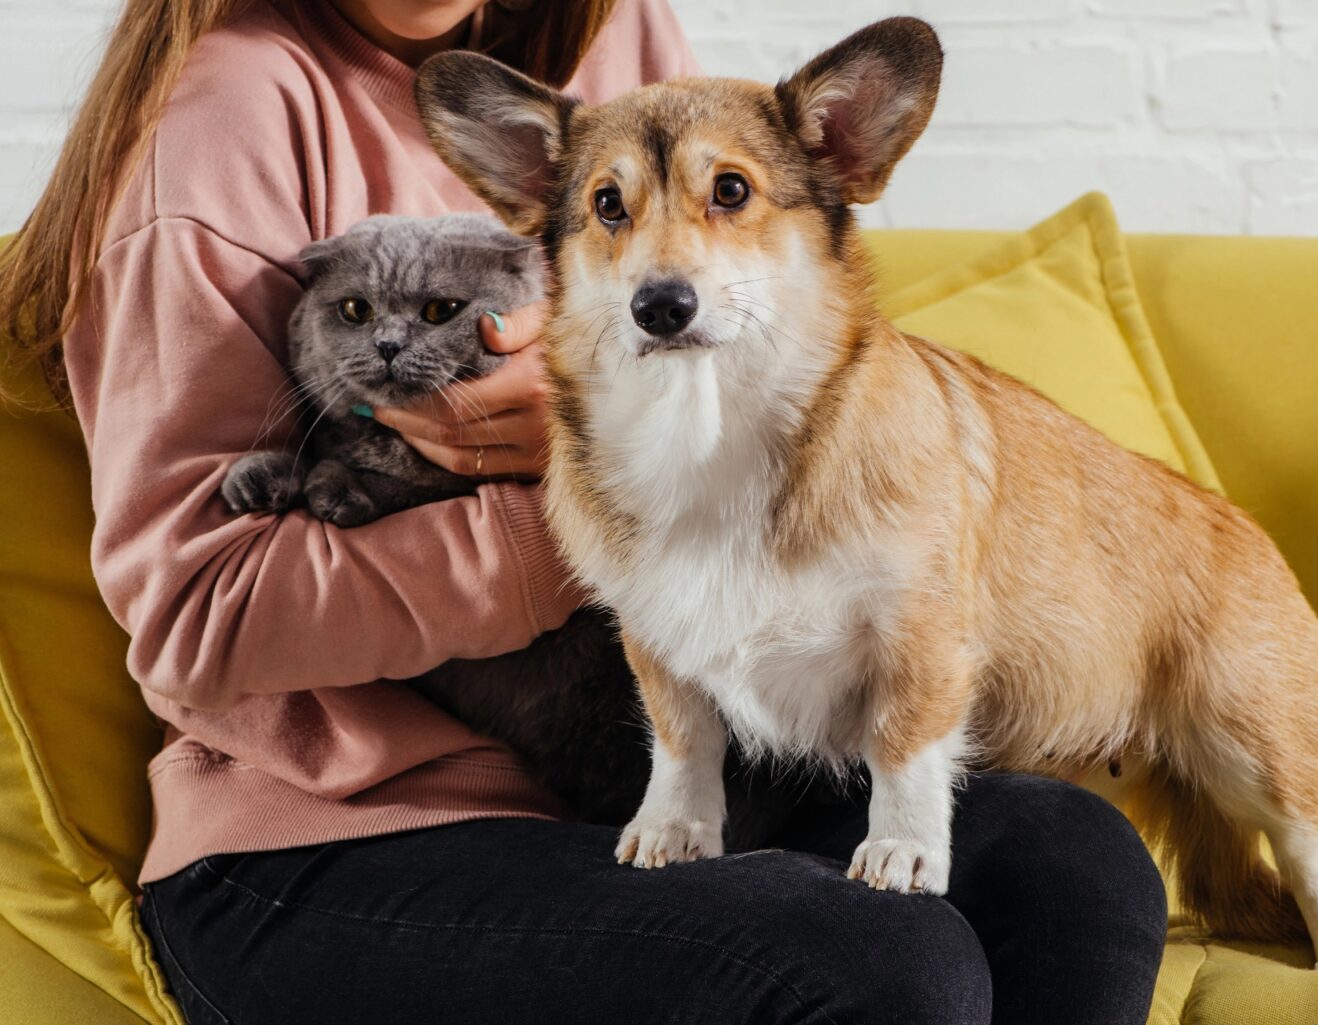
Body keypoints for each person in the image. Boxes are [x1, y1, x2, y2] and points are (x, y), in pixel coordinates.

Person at [0, 2, 1169, 1022]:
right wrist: (568, 500)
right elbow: (197, 615)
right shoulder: (223, 121)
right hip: (343, 832)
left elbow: (735, 336)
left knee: (1073, 864)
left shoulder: (621, 39)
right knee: (881, 961)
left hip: (633, 777)